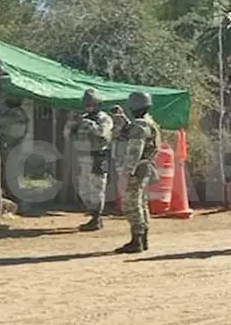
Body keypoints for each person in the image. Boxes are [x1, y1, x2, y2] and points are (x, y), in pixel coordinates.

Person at [113, 91, 161, 254]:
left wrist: (126, 174)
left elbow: (135, 151)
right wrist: (124, 120)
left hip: (137, 168)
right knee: (141, 202)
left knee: (131, 204)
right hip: (145, 167)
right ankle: (142, 239)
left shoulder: (140, 126)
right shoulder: (148, 122)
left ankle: (137, 241)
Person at [64, 89, 114, 231]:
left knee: (97, 188)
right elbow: (67, 135)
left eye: (91, 105)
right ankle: (92, 212)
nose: (88, 107)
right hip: (83, 156)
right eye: (87, 105)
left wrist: (90, 124)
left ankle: (96, 218)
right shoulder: (81, 118)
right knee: (83, 188)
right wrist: (73, 122)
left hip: (97, 156)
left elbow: (103, 134)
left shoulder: (104, 118)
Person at [0, 95, 30, 199]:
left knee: (14, 174)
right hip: (13, 146)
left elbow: (8, 128)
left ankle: (19, 201)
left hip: (13, 147)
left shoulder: (15, 114)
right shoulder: (19, 113)